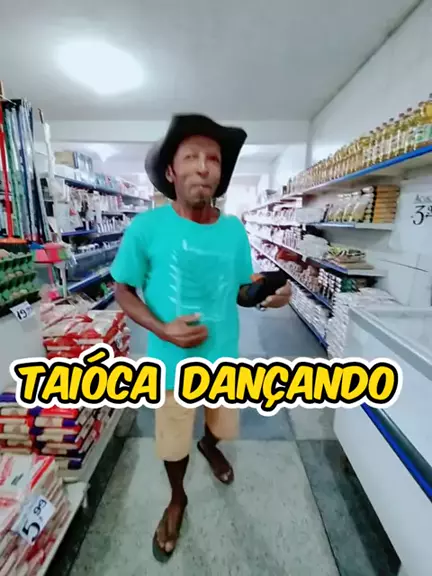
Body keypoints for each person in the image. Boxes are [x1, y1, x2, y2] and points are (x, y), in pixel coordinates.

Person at [110, 114, 292, 562]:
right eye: (190, 156)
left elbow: (242, 290)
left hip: (223, 358)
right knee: (173, 443)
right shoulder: (146, 229)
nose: (203, 166)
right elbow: (123, 290)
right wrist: (162, 329)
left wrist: (269, 294)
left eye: (213, 158)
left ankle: (209, 446)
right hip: (171, 366)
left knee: (223, 427)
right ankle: (177, 498)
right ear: (171, 171)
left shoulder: (233, 230)